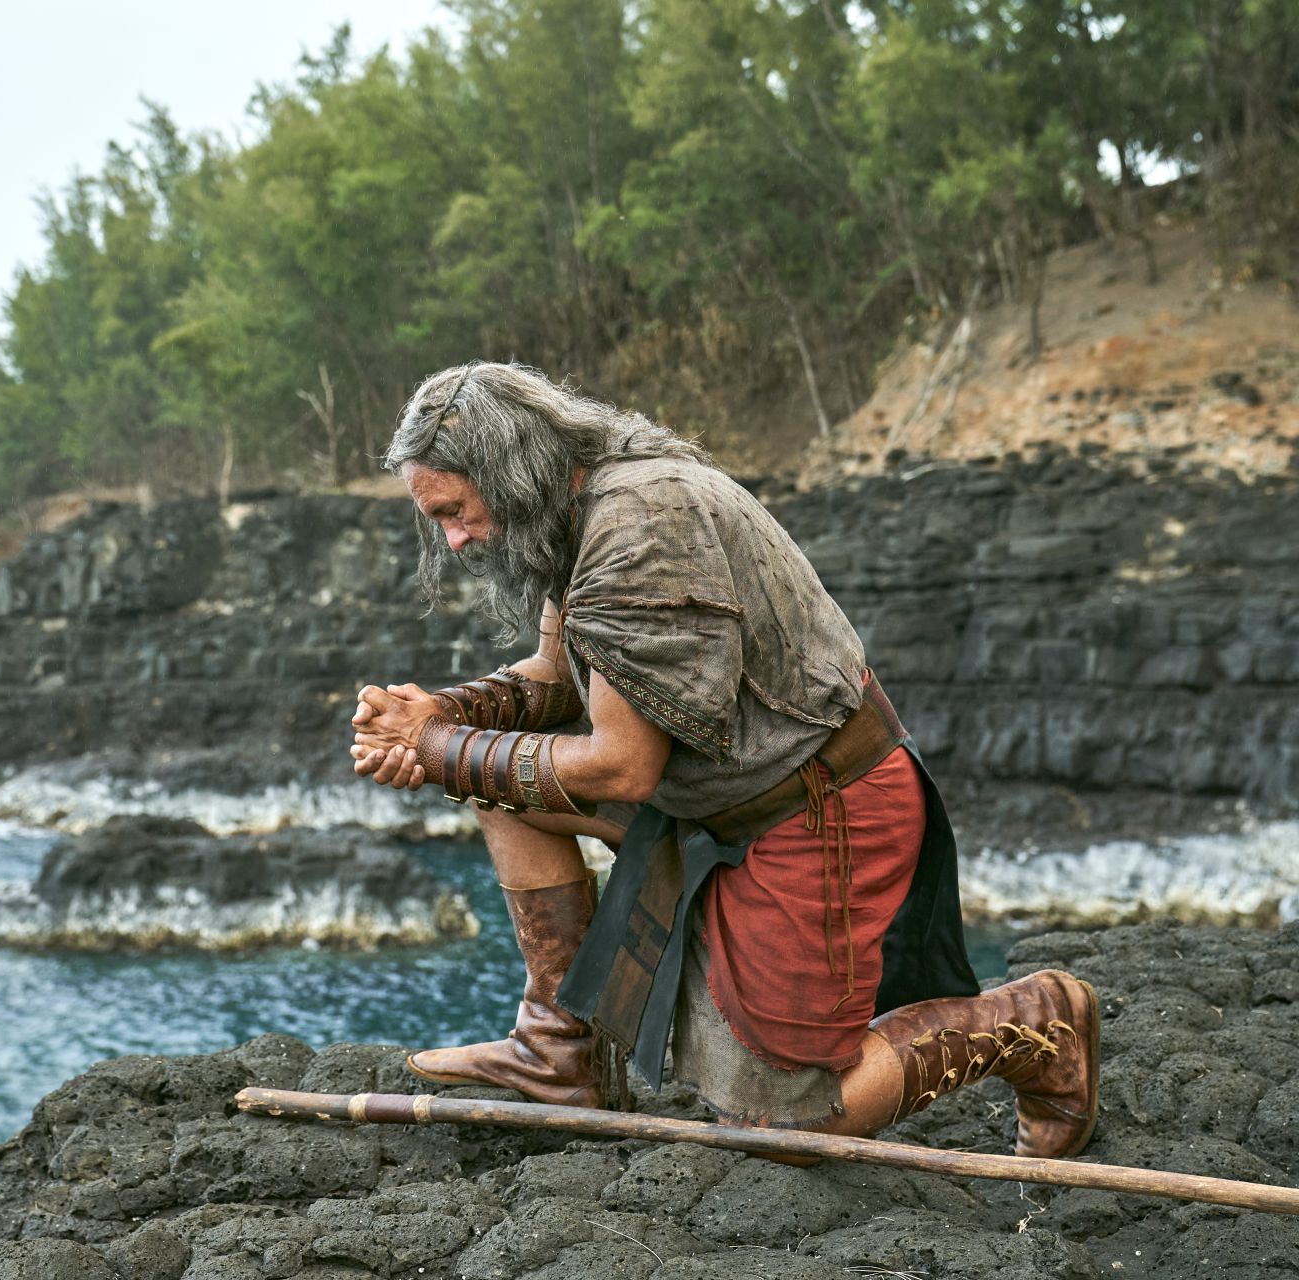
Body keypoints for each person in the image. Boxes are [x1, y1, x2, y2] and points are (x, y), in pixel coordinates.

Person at [349, 362, 1099, 1158]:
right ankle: (557, 1049)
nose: (454, 539)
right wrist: (446, 716)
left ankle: (1037, 1022)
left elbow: (623, 768)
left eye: (455, 511)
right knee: (493, 782)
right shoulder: (569, 510)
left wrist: (434, 746)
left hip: (816, 807)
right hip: (718, 792)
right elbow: (558, 677)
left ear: (509, 471)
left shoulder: (640, 527)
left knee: (782, 1129)